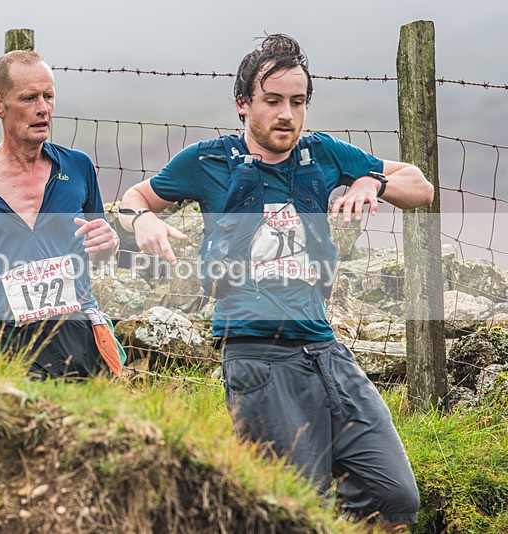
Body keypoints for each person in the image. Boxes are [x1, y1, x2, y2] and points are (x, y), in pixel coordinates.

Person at [119, 34, 432, 529]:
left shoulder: (322, 154)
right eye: (272, 101)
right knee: (292, 511)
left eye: (298, 101)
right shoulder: (208, 162)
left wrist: (371, 180)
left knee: (393, 494)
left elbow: (421, 185)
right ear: (243, 104)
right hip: (256, 357)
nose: (287, 114)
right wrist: (143, 221)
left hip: (325, 349)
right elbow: (133, 198)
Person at [0, 50, 122, 379]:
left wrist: (109, 244)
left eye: (49, 96)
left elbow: (99, 249)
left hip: (79, 333)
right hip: (7, 338)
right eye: (29, 98)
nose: (43, 109)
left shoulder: (78, 168)